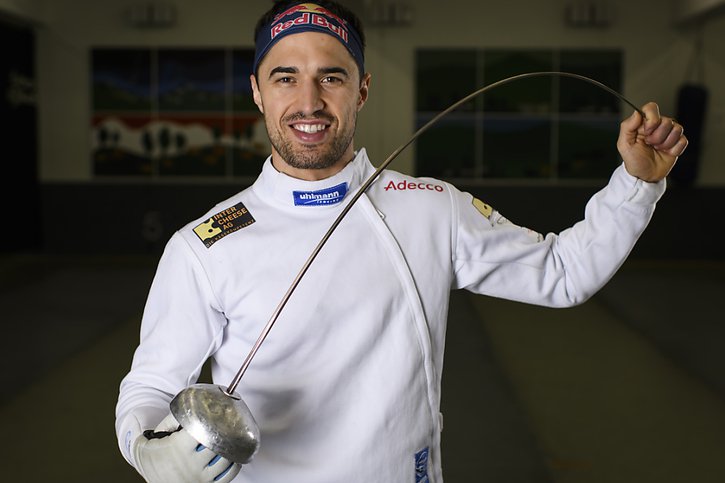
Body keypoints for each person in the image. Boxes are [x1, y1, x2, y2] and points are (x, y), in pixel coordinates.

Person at [115, 1, 688, 482]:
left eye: (331, 76)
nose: (309, 101)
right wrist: (150, 450)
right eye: (285, 77)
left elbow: (562, 274)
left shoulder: (428, 206)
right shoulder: (206, 244)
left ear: (362, 89)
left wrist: (637, 183)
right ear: (258, 93)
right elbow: (151, 385)